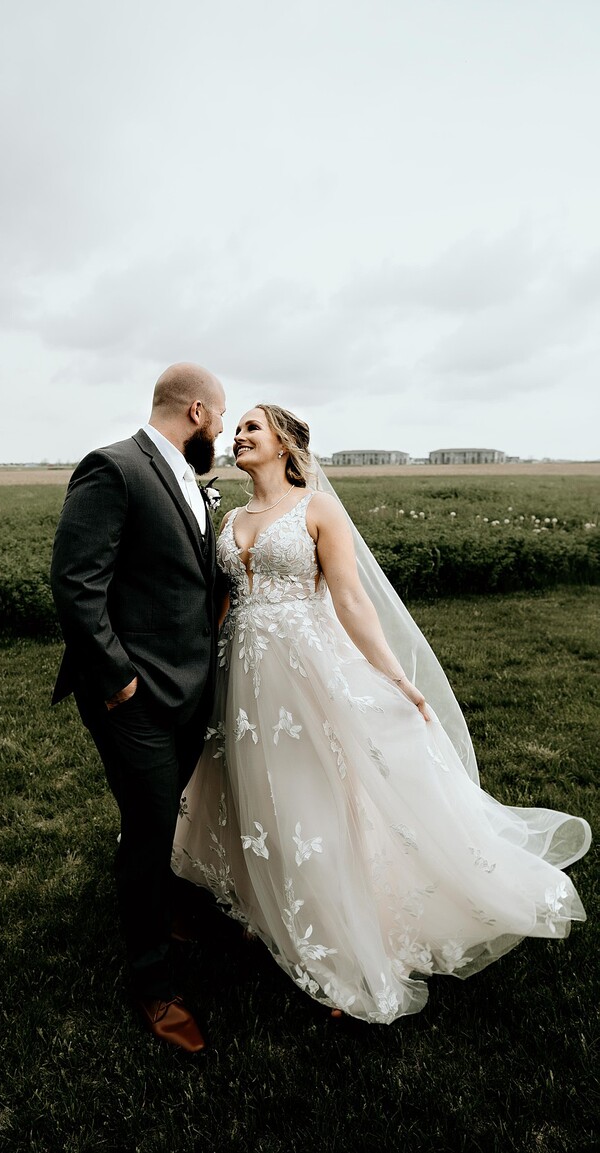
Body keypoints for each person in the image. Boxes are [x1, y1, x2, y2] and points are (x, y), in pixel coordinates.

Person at [173, 404, 591, 1024]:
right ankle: (267, 910)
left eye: (253, 427)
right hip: (242, 676)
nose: (238, 436)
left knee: (312, 799)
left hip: (305, 673)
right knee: (256, 795)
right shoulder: (230, 519)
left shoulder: (317, 509)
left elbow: (350, 598)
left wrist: (395, 678)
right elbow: (223, 603)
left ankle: (342, 947)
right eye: (237, 429)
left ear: (284, 443)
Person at [50, 363, 226, 1053]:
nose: (222, 429)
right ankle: (154, 986)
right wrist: (118, 681)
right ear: (197, 410)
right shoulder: (114, 467)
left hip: (187, 689)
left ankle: (163, 908)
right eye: (221, 416)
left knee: (158, 820)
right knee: (151, 828)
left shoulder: (190, 480)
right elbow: (76, 584)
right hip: (134, 698)